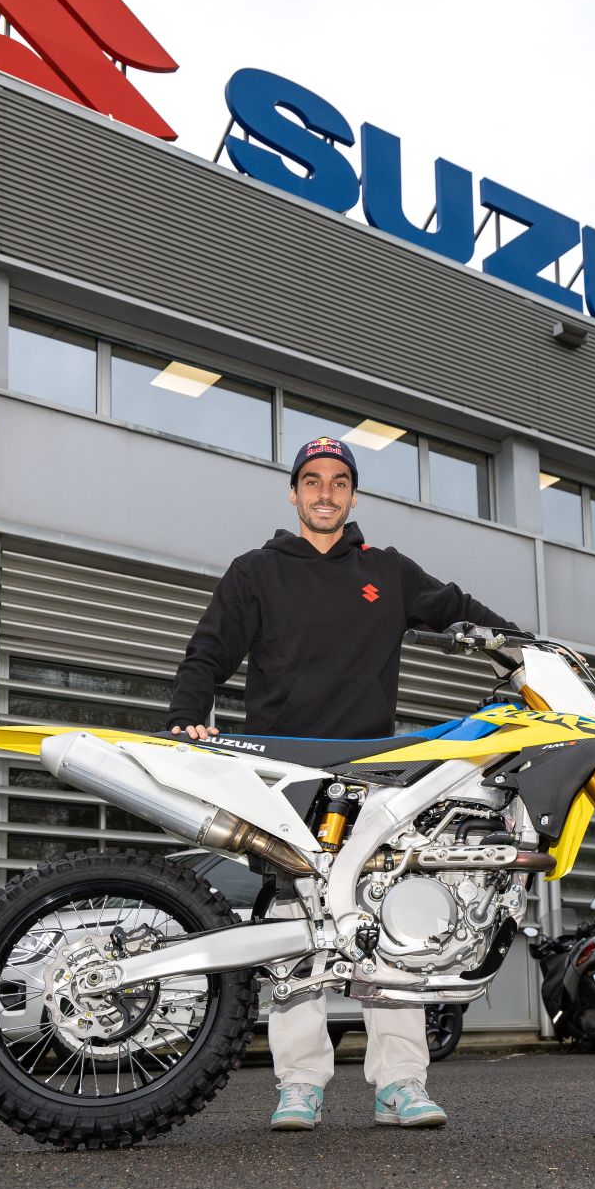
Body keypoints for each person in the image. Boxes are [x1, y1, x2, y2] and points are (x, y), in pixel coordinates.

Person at [167, 434, 513, 1133]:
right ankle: (299, 1084)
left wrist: (527, 654)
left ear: (353, 496)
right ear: (294, 492)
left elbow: (460, 609)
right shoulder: (256, 572)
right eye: (312, 480)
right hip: (286, 773)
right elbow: (208, 651)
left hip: (373, 772)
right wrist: (185, 716)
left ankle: (400, 1082)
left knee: (392, 914)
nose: (325, 492)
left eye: (338, 481)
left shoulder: (386, 571)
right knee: (293, 923)